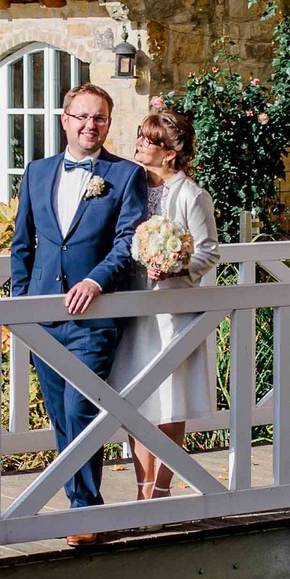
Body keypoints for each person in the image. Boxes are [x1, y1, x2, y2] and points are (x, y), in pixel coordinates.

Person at [5, 82, 147, 532]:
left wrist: (95, 280)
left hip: (95, 315)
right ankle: (79, 499)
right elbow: (21, 244)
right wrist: (22, 303)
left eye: (99, 118)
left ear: (109, 123)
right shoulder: (38, 171)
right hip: (43, 315)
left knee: (80, 407)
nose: (91, 126)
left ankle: (84, 510)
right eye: (82, 117)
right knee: (58, 412)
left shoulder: (125, 176)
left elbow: (128, 242)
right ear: (65, 120)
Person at [113, 105, 219, 500]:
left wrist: (174, 266)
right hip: (135, 306)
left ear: (169, 152)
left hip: (174, 311)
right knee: (135, 399)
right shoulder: (131, 185)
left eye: (148, 139)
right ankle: (141, 489)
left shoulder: (192, 195)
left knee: (170, 401)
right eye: (139, 135)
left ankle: (160, 490)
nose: (139, 143)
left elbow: (208, 252)